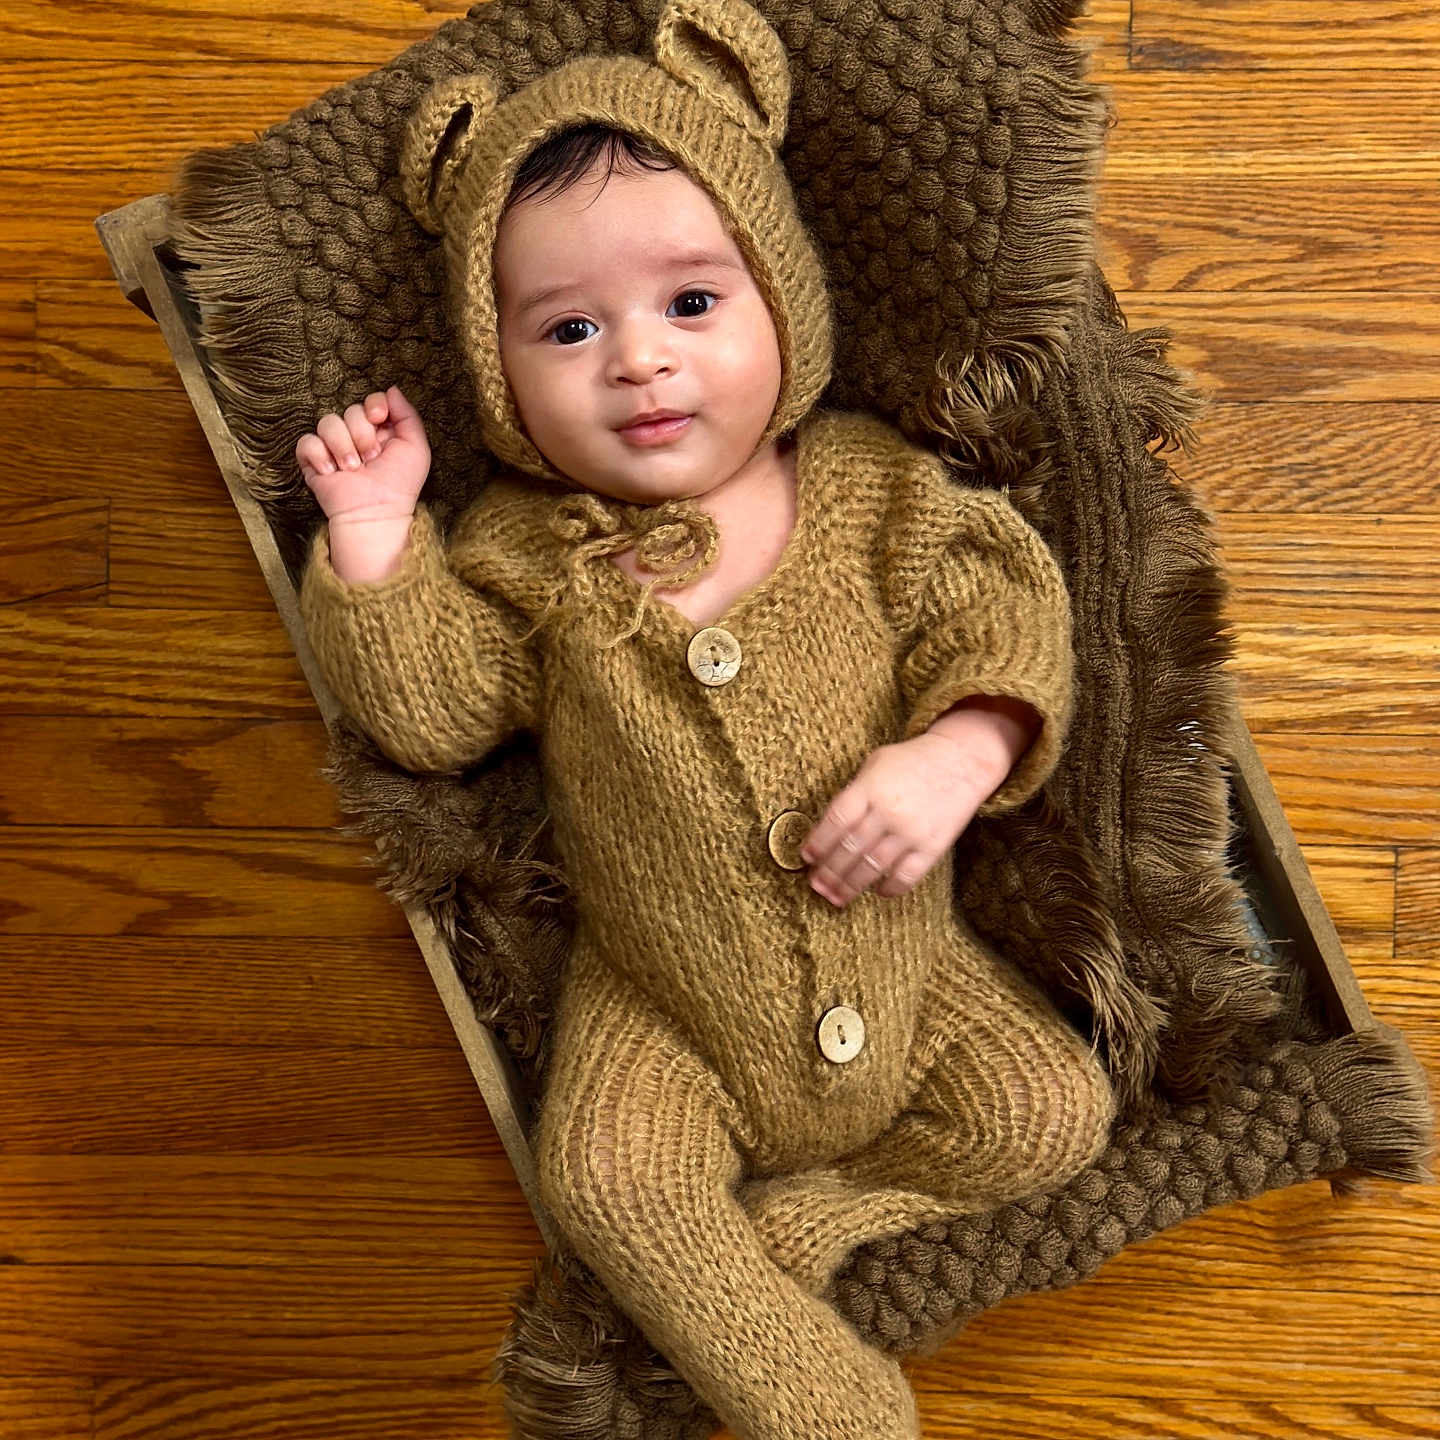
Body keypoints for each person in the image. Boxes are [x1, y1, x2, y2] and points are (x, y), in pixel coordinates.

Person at [295, 1, 1114, 1435]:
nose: (639, 361)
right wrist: (375, 541)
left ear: (783, 303)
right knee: (609, 1181)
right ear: (502, 382)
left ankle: (806, 1229)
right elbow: (437, 709)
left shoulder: (868, 488)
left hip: (908, 974)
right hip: (666, 1001)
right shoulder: (526, 548)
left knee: (1050, 1116)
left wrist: (955, 750)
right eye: (567, 327)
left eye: (691, 303)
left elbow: (1004, 607)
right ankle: (817, 1401)